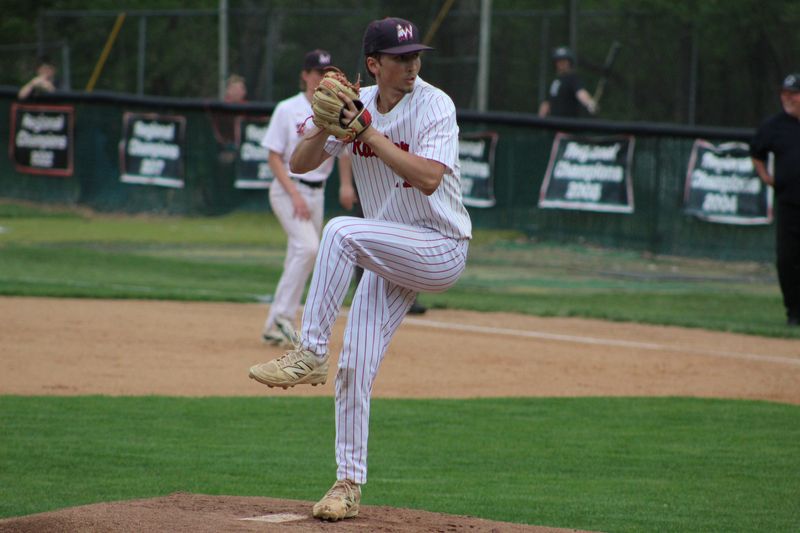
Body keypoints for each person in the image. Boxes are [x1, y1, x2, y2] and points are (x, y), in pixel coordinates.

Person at [248, 17, 471, 521]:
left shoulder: (435, 104)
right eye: (400, 56)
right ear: (374, 64)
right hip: (389, 252)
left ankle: (308, 352)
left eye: (416, 55)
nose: (412, 63)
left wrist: (366, 131)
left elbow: (431, 179)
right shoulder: (356, 103)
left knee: (340, 231)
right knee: (354, 369)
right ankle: (347, 485)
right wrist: (328, 126)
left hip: (440, 248)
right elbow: (303, 163)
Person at [260, 49, 355, 346]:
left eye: (326, 73)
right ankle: (281, 318)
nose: (320, 78)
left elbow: (344, 149)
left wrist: (345, 185)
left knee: (299, 253)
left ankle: (273, 324)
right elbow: (274, 157)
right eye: (316, 72)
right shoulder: (287, 109)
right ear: (304, 75)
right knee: (309, 248)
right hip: (289, 189)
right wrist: (295, 196)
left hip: (318, 191)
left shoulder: (334, 107)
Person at [750, 72, 800, 326]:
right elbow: (756, 151)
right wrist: (766, 177)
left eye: (793, 93)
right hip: (789, 203)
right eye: (784, 93)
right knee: (787, 259)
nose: (787, 98)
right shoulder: (775, 126)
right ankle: (794, 312)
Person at [538, 46, 597, 118]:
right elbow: (547, 102)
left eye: (564, 61)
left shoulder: (572, 78)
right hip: (554, 125)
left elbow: (580, 93)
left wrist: (589, 103)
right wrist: (540, 120)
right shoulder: (555, 81)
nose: (561, 64)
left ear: (569, 62)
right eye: (559, 61)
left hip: (568, 124)